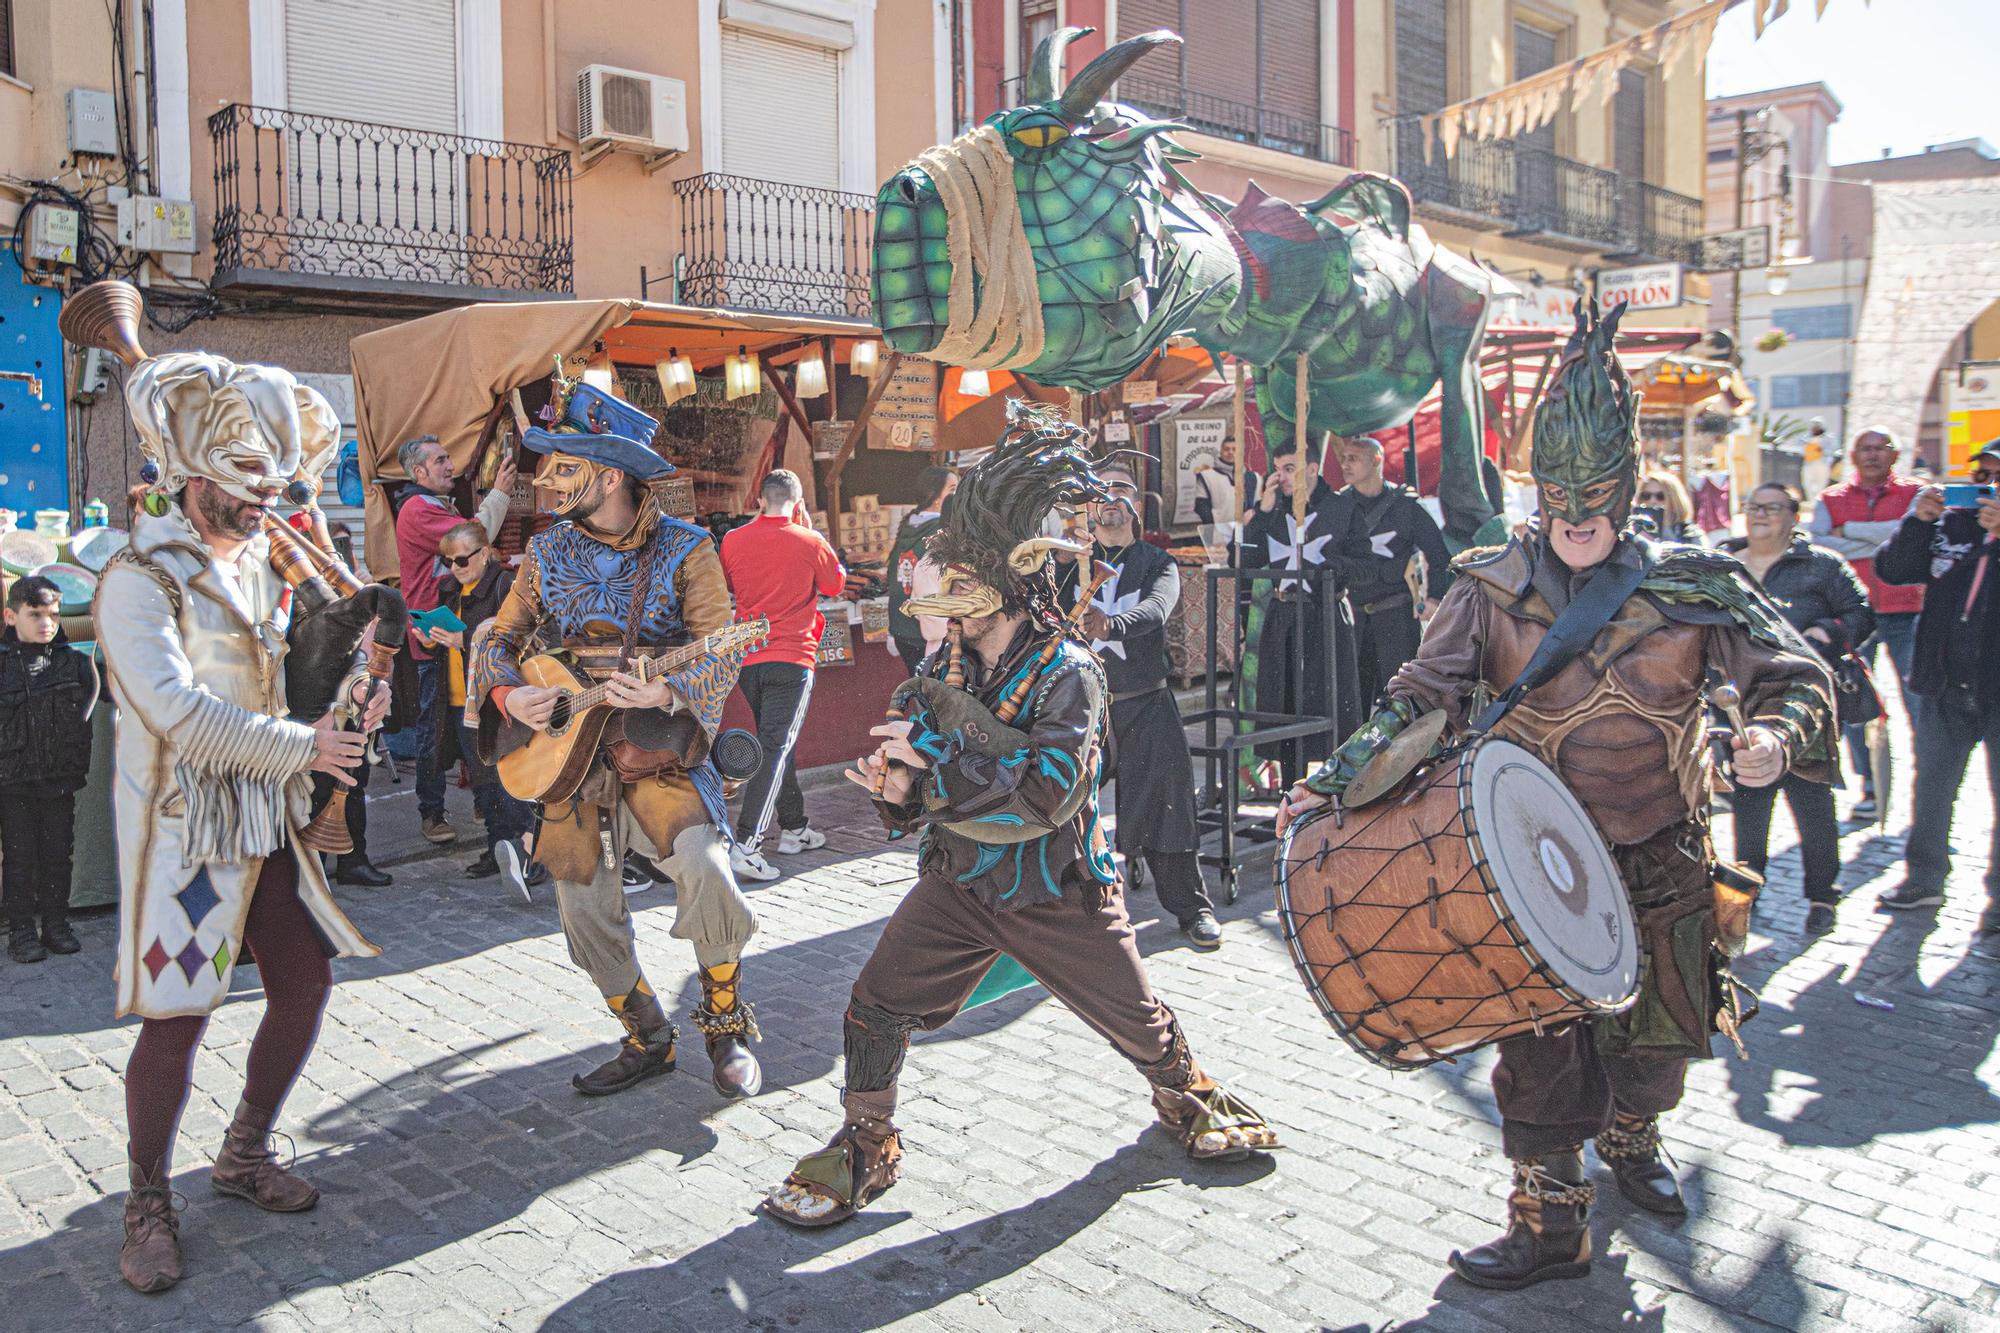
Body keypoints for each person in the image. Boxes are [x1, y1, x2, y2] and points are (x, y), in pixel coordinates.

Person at [1279, 302, 1835, 1290]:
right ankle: (1547, 1222)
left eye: (1595, 495)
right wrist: (1332, 784)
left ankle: (1631, 1138)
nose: (1575, 514)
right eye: (1558, 494)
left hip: (1661, 855)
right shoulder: (1486, 586)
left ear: (1625, 491)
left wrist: (1770, 736)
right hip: (1525, 870)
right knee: (1537, 1062)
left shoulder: (1692, 588)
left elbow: (1795, 679)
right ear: (1537, 493)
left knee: (1652, 1049)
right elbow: (1418, 695)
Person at [762, 404, 1278, 1229]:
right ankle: (868, 1140)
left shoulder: (1070, 672)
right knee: (873, 1003)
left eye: (964, 578)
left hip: (1058, 886)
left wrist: (936, 772)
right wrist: (895, 793)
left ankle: (1189, 1096)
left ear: (1009, 577)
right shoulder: (945, 661)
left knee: (1138, 1022)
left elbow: (1047, 794)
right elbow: (923, 791)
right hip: (963, 881)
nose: (946, 599)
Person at [93, 349, 390, 1293]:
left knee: (302, 987)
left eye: (276, 481)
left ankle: (244, 1151)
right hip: (190, 833)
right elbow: (176, 711)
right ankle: (146, 1198)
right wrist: (306, 744)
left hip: (272, 823)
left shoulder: (264, 563)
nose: (268, 503)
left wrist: (349, 699)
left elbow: (291, 673)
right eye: (246, 485)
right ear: (190, 479)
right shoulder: (137, 579)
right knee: (179, 1016)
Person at [469, 373, 764, 1101]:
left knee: (708, 868)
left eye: (560, 463)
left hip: (656, 751)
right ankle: (646, 1035)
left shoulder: (688, 548)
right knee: (582, 910)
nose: (543, 477)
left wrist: (668, 689)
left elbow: (721, 645)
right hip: (570, 763)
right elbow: (497, 638)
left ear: (606, 475)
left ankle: (724, 1022)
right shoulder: (546, 553)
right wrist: (512, 693)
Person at [1059, 460, 1222, 949]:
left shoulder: (1156, 561)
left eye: (1120, 489)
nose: (1110, 497)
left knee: (1171, 806)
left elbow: (1157, 606)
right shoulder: (1070, 563)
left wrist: (1111, 625)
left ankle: (1192, 909)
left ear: (1135, 502)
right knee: (1060, 803)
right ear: (1089, 504)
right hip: (1084, 709)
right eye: (1101, 490)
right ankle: (1065, 915)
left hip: (1145, 701)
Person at [1720, 484, 1875, 935]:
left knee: (1812, 803)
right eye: (1753, 507)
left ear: (1794, 516)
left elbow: (1862, 613)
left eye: (1772, 507)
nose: (1760, 515)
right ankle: (1747, 892)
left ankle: (1823, 897)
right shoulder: (1724, 565)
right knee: (1750, 801)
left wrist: (1828, 632)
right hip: (1740, 701)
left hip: (1805, 703)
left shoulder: (1821, 566)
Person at [1871, 440, 2000, 931]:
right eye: (1982, 477)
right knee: (1933, 785)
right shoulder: (1953, 522)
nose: (1988, 489)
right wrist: (1918, 522)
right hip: (1944, 679)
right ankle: (1924, 879)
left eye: (1998, 479)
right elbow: (1894, 570)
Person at [718, 469, 846, 882]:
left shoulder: (733, 540)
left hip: (748, 659)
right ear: (799, 501)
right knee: (776, 746)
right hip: (792, 656)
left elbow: (731, 586)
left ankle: (794, 828)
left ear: (759, 499)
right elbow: (834, 585)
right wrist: (807, 531)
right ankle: (747, 843)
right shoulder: (810, 541)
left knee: (777, 744)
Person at [393, 433, 516, 846]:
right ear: (419, 471)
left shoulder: (433, 505)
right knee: (437, 728)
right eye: (440, 460)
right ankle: (433, 811)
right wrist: (498, 494)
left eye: (448, 457)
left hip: (457, 628)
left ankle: (488, 802)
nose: (450, 465)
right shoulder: (418, 510)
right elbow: (475, 535)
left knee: (468, 720)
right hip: (436, 634)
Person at [1810, 426, 1923, 817]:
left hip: (1908, 608)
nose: (1873, 455)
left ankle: (1926, 783)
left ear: (1895, 455)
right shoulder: (1831, 498)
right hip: (1854, 613)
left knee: (1918, 700)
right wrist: (1891, 536)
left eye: (1881, 448)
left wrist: (1853, 532)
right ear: (1853, 455)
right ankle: (1872, 783)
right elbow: (1821, 544)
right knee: (1856, 700)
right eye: (1865, 449)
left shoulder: (1917, 494)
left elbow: (1915, 537)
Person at [431, 521, 544, 899]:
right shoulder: (449, 588)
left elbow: (520, 641)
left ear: (485, 553)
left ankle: (529, 854)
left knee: (511, 779)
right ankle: (498, 850)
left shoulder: (505, 587)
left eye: (462, 560)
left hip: (497, 700)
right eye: (447, 561)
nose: (454, 568)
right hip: (459, 697)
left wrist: (463, 639)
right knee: (483, 782)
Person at [1239, 431, 1355, 788]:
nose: (1282, 477)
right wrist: (1263, 511)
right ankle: (1290, 786)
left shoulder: (1341, 508)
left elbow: (1360, 561)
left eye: (1290, 469)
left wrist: (1328, 571)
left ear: (1313, 468)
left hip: (1323, 617)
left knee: (1328, 701)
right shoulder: (1274, 511)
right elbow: (1245, 560)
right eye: (1277, 469)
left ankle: (1335, 784)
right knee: (1285, 702)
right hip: (1284, 617)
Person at [1, 575, 96, 962]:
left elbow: (113, 694)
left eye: (53, 614)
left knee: (59, 854)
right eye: (35, 614)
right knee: (20, 858)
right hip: (13, 783)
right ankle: (21, 932)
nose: (46, 623)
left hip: (59, 781)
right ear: (11, 615)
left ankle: (56, 925)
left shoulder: (76, 663)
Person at [1322, 435, 1450, 709]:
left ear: (1376, 460)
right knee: (1350, 703)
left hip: (1395, 618)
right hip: (1351, 618)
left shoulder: (1406, 507)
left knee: (1400, 701)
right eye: (1343, 459)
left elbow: (1439, 556)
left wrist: (1435, 598)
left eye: (1353, 458)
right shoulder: (1337, 507)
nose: (1345, 465)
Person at [887, 465, 957, 674]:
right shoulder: (939, 531)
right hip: (925, 630)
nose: (957, 496)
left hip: (901, 625)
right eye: (952, 490)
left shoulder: (911, 525)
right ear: (935, 497)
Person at [1635, 471, 1696, 542]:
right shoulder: (1635, 529)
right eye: (1646, 496)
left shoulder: (1689, 532)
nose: (1652, 501)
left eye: (1660, 496)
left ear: (1674, 499)